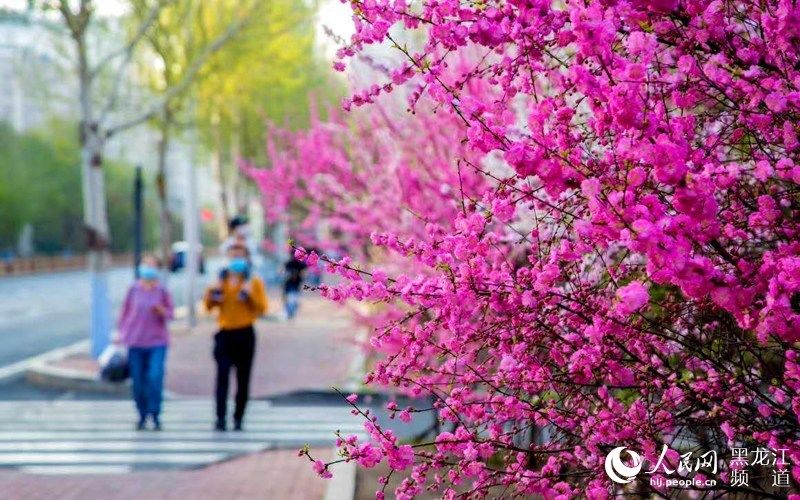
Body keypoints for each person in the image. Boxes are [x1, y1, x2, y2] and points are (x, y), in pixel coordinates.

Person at [204, 244, 267, 431]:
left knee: (243, 379)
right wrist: (214, 294)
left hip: (245, 333)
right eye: (232, 257)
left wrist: (249, 295)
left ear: (247, 259)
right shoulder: (220, 280)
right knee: (222, 376)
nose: (235, 261)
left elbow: (261, 308)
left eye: (239, 257)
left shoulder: (253, 282)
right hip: (224, 334)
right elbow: (208, 306)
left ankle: (238, 417)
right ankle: (220, 418)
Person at [117, 254, 174, 431]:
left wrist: (161, 311)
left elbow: (171, 314)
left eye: (152, 265)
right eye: (145, 264)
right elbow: (125, 314)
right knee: (138, 381)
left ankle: (155, 413)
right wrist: (121, 334)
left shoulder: (162, 291)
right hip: (135, 342)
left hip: (157, 342)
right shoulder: (133, 290)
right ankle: (141, 415)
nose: (148, 268)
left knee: (155, 377)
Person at [283, 254, 307, 320]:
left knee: (293, 300)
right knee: (291, 300)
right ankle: (289, 313)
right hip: (290, 284)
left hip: (295, 284)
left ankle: (290, 313)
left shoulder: (296, 264)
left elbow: (304, 272)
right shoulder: (290, 263)